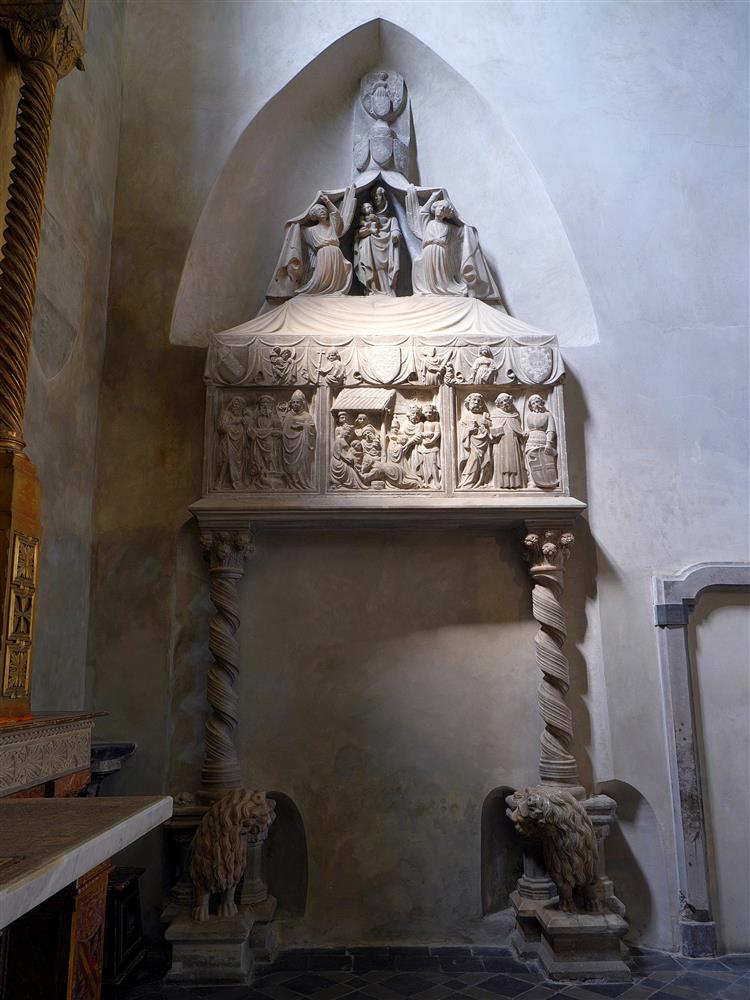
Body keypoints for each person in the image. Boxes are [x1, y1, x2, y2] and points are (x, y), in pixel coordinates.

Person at [353, 187, 401, 295]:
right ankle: (372, 290)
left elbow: (395, 230)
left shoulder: (391, 219)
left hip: (387, 245)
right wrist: (367, 231)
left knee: (384, 268)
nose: (376, 198)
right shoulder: (365, 218)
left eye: (378, 195)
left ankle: (389, 290)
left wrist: (395, 235)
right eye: (373, 196)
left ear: (384, 197)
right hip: (370, 247)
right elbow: (359, 232)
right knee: (371, 265)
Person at [281, 390, 316, 489]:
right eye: (294, 402)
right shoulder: (288, 415)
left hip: (302, 445)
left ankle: (301, 483)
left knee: (301, 465)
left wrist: (303, 426)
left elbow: (312, 427)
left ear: (303, 403)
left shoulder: (307, 416)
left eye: (298, 402)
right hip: (288, 445)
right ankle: (291, 483)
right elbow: (283, 429)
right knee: (289, 466)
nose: (295, 404)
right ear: (291, 403)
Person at [458, 393, 493, 488]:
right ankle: (467, 482)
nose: (476, 402)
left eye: (479, 401)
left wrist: (485, 430)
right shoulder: (466, 417)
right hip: (472, 444)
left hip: (484, 444)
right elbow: (461, 431)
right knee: (473, 461)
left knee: (484, 463)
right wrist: (469, 431)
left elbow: (490, 430)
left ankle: (482, 481)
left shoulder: (484, 416)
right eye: (474, 400)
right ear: (468, 403)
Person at [491, 393, 525, 489]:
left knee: (514, 461)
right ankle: (502, 483)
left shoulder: (514, 414)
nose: (504, 403)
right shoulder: (495, 414)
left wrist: (523, 434)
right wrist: (494, 433)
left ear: (510, 402)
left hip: (513, 441)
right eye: (501, 402)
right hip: (501, 442)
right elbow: (493, 429)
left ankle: (516, 483)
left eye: (506, 401)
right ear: (498, 404)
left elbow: (519, 430)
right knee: (502, 462)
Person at [248, 394, 282, 487]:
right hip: (258, 442)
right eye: (263, 404)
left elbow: (279, 429)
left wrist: (273, 432)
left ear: (271, 406)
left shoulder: (274, 417)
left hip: (270, 442)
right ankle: (258, 478)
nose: (265, 406)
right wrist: (253, 432)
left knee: (270, 459)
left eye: (267, 404)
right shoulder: (256, 416)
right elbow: (250, 428)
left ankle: (272, 477)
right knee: (257, 458)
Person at [217, 396, 248, 490]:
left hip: (240, 445)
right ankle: (220, 482)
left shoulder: (244, 418)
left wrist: (246, 424)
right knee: (225, 460)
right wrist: (234, 421)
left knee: (242, 461)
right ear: (231, 405)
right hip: (228, 442)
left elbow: (249, 431)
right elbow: (222, 427)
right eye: (235, 405)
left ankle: (240, 481)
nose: (236, 407)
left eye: (239, 406)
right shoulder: (226, 414)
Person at [418, 404, 441, 487]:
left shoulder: (436, 423)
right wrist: (424, 439)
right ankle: (426, 482)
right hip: (424, 447)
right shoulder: (422, 423)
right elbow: (419, 433)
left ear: (434, 413)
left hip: (433, 446)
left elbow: (437, 433)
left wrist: (432, 441)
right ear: (424, 413)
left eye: (430, 412)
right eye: (426, 412)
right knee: (424, 465)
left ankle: (436, 481)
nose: (428, 414)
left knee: (433, 464)